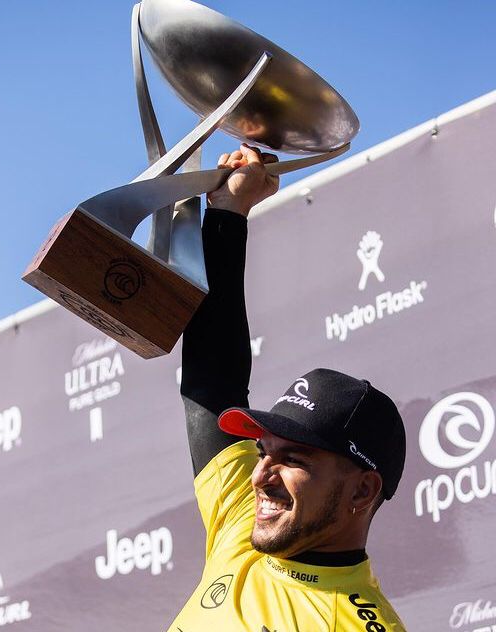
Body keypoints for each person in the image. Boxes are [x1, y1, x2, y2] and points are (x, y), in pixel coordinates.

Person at [170, 144, 407, 631]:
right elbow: (212, 383)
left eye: (294, 459)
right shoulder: (243, 523)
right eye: (263, 452)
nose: (260, 477)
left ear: (363, 490)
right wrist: (228, 214)